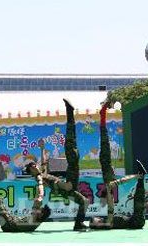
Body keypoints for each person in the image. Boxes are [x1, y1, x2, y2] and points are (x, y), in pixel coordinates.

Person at [24, 99, 89, 231]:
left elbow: (43, 162)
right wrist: (39, 203)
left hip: (68, 187)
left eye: (34, 165)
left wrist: (42, 148)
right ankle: (70, 112)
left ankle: (78, 224)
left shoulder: (41, 172)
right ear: (31, 171)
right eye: (32, 166)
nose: (35, 166)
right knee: (72, 152)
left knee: (84, 201)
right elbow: (42, 190)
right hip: (66, 187)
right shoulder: (39, 178)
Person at [89, 102, 147, 229]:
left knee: (105, 162)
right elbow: (113, 189)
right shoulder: (108, 221)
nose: (98, 217)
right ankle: (140, 177)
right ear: (99, 223)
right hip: (136, 221)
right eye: (97, 219)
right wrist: (135, 177)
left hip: (136, 220)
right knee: (105, 162)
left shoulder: (109, 219)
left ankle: (141, 178)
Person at [0, 160, 51, 232]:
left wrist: (40, 181)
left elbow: (40, 197)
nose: (40, 208)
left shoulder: (35, 217)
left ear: (41, 214)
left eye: (41, 209)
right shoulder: (37, 220)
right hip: (10, 225)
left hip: (9, 224)